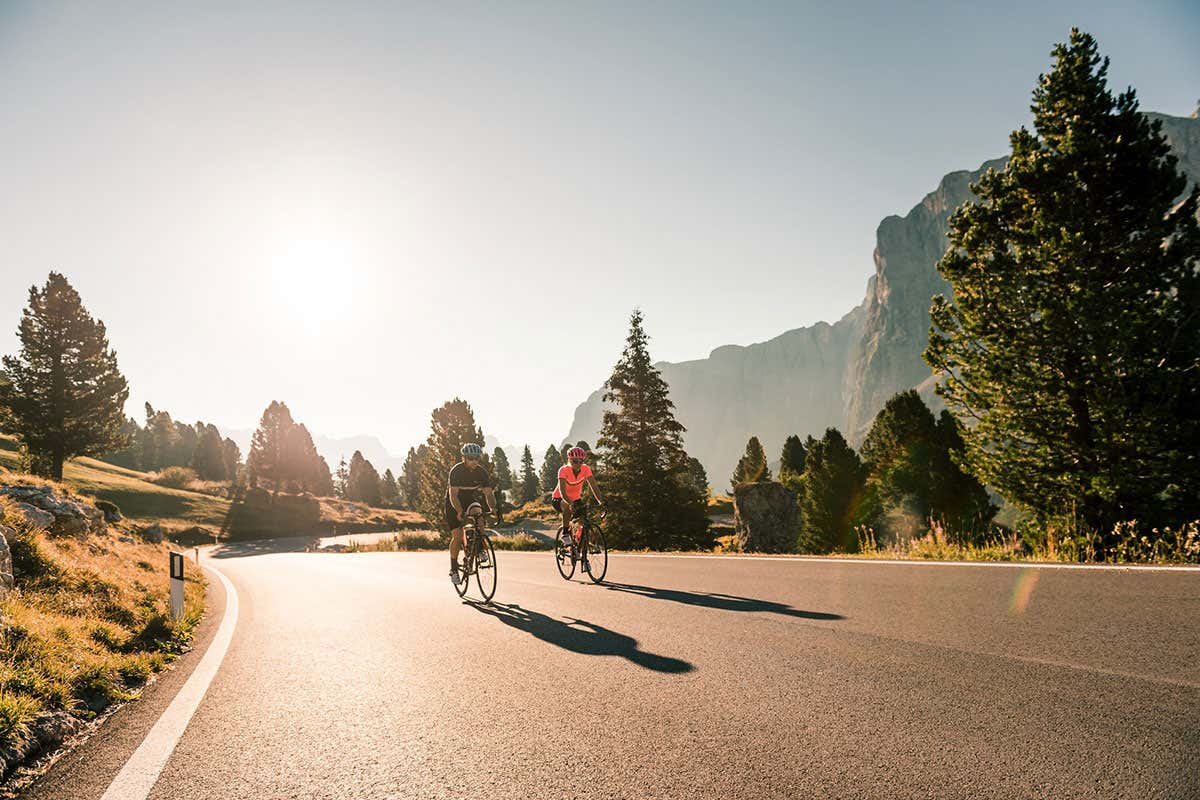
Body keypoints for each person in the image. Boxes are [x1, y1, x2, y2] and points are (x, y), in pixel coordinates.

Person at [446, 442, 498, 587]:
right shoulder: (456, 471)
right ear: (464, 458)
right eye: (471, 458)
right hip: (453, 502)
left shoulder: (481, 472)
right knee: (457, 536)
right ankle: (454, 568)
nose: (474, 461)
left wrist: (493, 508)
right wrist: (459, 511)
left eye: (477, 458)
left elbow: (488, 493)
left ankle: (480, 547)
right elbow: (453, 495)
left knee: (478, 514)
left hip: (469, 498)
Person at [552, 447, 604, 551]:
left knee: (584, 522)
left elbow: (594, 486)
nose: (578, 463)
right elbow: (562, 492)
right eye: (575, 461)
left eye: (581, 461)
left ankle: (581, 550)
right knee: (567, 506)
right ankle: (565, 534)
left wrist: (601, 502)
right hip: (559, 499)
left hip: (576, 499)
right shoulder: (563, 470)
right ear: (569, 460)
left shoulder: (585, 469)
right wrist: (571, 503)